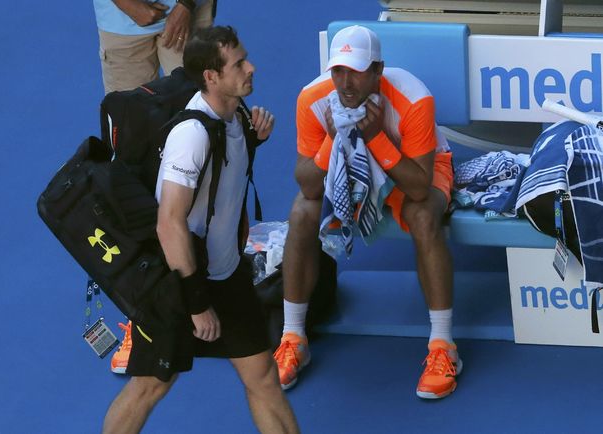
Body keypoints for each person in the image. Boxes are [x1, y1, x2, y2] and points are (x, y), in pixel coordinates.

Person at [102, 26, 300, 433]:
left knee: (263, 377)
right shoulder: (189, 136)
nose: (251, 67)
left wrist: (252, 139)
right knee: (150, 386)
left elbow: (221, 181)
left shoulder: (236, 117)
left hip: (227, 275)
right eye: (239, 63)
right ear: (211, 77)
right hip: (180, 283)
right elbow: (169, 222)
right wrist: (195, 302)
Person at [273, 25, 461, 399]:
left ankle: (444, 348)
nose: (345, 82)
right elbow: (309, 185)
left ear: (378, 69)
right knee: (302, 212)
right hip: (349, 170)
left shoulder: (413, 98)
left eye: (356, 71)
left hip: (415, 168)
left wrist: (374, 136)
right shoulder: (312, 99)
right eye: (338, 70)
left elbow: (420, 186)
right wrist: (332, 138)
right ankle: (293, 337)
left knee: (423, 214)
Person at [93, 0, 215, 94]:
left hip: (190, 11)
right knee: (129, 113)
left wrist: (186, 4)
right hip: (121, 18)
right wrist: (129, 5)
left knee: (200, 99)